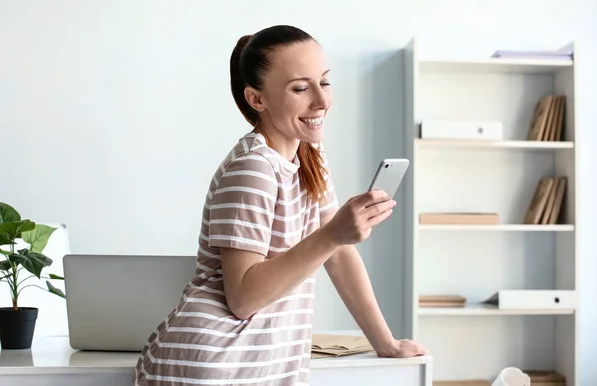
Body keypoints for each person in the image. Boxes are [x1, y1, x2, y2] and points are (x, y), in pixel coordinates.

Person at [133, 24, 426, 386]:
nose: (321, 100)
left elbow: (339, 254)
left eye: (325, 81)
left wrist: (386, 343)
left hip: (259, 366)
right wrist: (332, 235)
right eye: (301, 88)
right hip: (213, 367)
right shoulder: (253, 168)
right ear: (258, 99)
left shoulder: (309, 154)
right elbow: (242, 297)